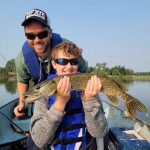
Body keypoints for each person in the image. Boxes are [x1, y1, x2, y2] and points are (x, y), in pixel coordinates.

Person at [30, 41, 108, 149]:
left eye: (74, 61)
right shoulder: (44, 95)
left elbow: (99, 133)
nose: (69, 66)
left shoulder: (88, 88)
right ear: (54, 64)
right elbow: (39, 140)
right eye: (62, 61)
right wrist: (60, 102)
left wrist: (90, 100)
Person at [14, 8, 88, 117]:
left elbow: (85, 73)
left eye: (42, 34)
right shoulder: (22, 59)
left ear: (50, 33)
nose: (37, 40)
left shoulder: (68, 49)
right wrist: (22, 103)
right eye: (30, 36)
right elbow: (22, 81)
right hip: (42, 95)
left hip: (71, 93)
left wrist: (89, 99)